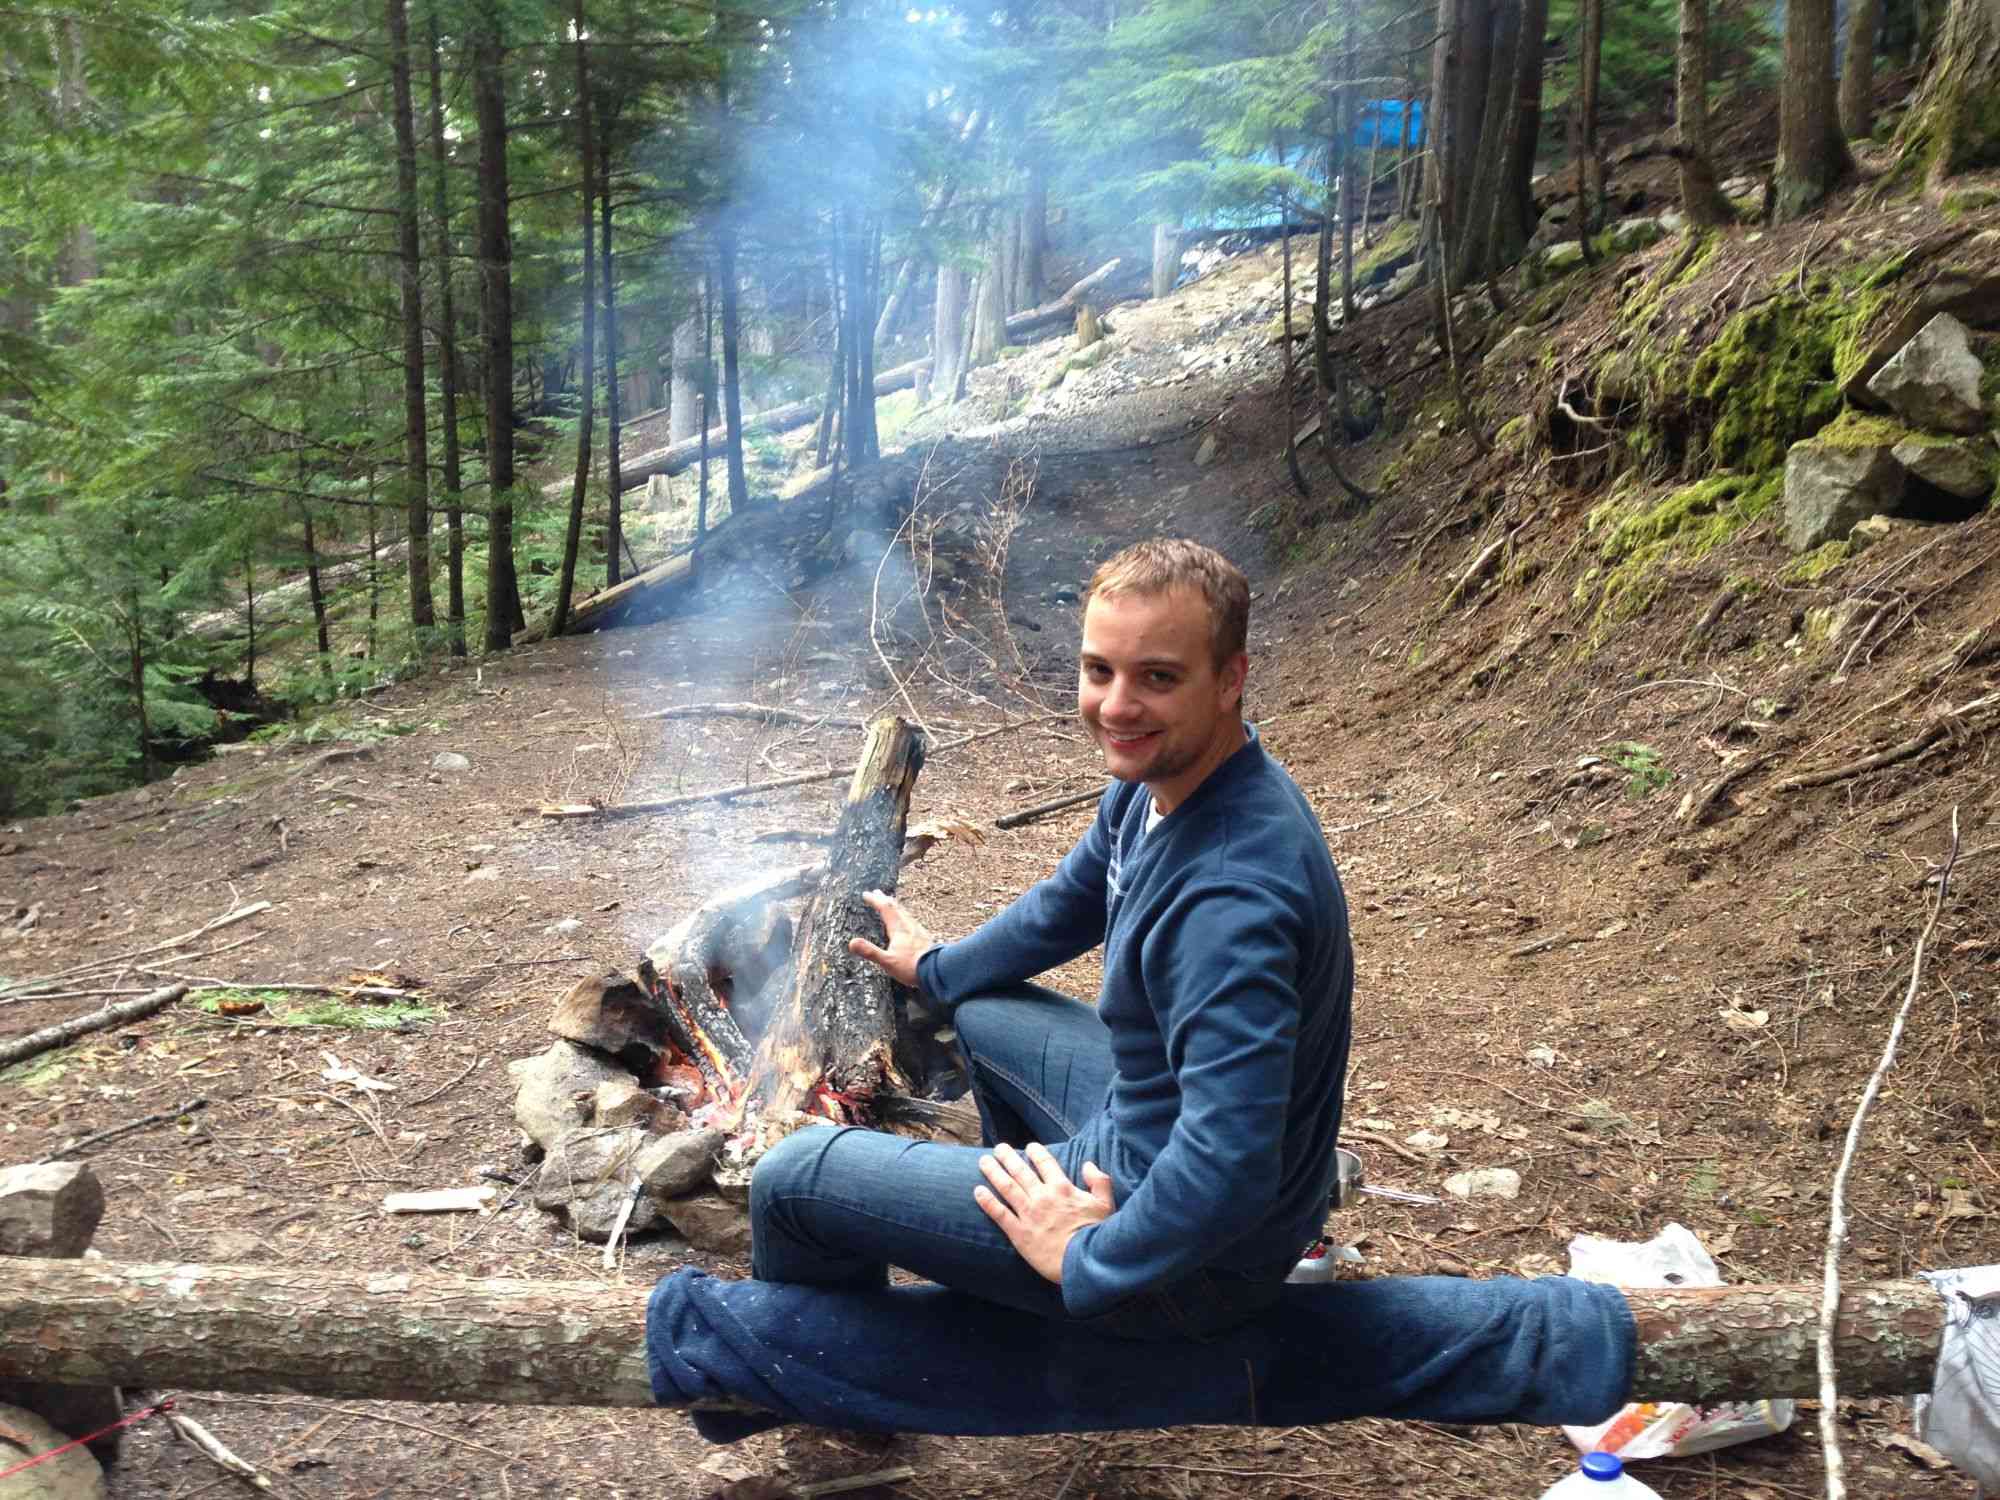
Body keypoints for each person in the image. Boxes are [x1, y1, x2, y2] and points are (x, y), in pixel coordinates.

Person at [748, 538, 1353, 1338]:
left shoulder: (1230, 898)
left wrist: (1087, 1256)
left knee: (791, 1177)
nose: (1117, 707)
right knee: (980, 1007)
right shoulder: (1164, 781)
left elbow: (1231, 1164)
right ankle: (1012, 1268)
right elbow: (1068, 905)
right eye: (1101, 671)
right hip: (1143, 1125)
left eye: (1158, 678)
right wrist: (937, 969)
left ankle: (855, 1381)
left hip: (1196, 1261)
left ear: (1228, 680)